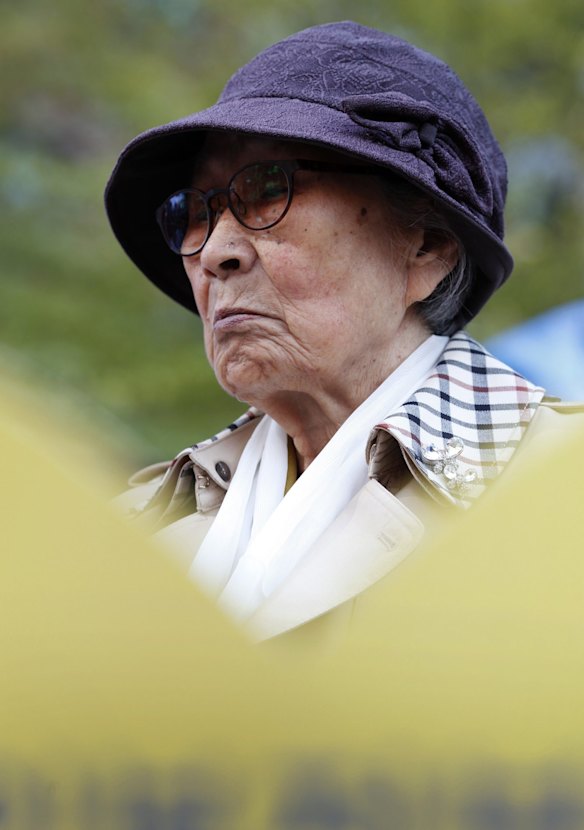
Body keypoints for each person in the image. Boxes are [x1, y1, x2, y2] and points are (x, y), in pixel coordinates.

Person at [105, 21, 583, 643]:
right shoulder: (134, 531)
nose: (215, 251)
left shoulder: (560, 489)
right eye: (194, 212)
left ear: (427, 248)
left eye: (267, 190)